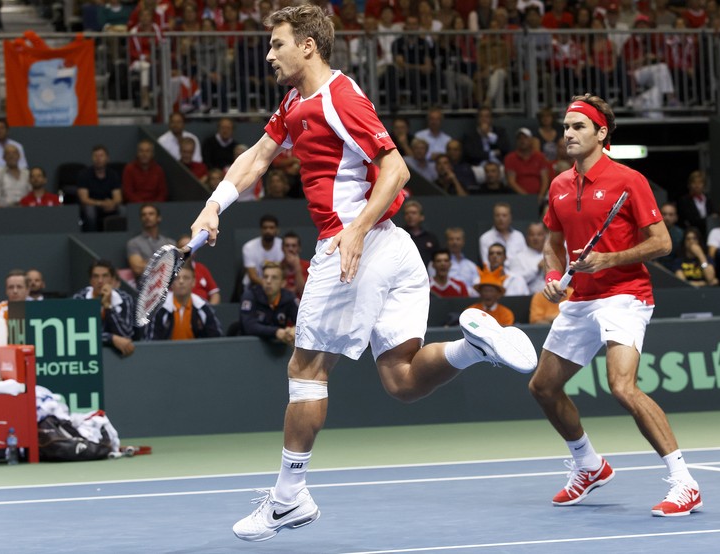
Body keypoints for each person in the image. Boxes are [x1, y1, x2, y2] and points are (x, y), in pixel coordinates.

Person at [188, 4, 537, 542]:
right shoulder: (295, 102)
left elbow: (396, 169)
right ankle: (475, 349)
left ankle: (287, 498)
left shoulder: (339, 97)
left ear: (307, 45)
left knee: (306, 369)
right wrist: (215, 204)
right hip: (394, 249)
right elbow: (259, 156)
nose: (269, 53)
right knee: (401, 379)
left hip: (356, 245)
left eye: (277, 43)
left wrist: (353, 232)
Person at [530, 94, 702, 517]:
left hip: (625, 295)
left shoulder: (629, 180)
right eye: (565, 127)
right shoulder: (559, 185)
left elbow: (662, 242)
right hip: (581, 299)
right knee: (543, 387)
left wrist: (610, 258)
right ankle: (589, 465)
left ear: (601, 133)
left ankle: (685, 482)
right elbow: (553, 244)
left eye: (577, 127)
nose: (567, 134)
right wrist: (553, 277)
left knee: (622, 386)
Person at [73, 259, 135, 357]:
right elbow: (80, 334)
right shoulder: (80, 299)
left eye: (105, 276)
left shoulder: (125, 299)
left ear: (112, 279)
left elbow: (126, 335)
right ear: (90, 280)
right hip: (85, 355)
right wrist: (111, 338)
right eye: (96, 276)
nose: (100, 281)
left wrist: (108, 306)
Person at [145, 265, 222, 340]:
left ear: (194, 282)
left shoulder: (203, 307)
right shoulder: (160, 309)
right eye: (177, 278)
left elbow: (216, 340)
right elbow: (152, 342)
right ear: (171, 283)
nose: (181, 281)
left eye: (186, 278)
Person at [239, 262, 298, 344]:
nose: (268, 281)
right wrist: (276, 332)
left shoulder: (289, 298)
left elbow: (301, 322)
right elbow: (249, 326)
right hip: (248, 346)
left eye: (274, 278)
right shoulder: (250, 295)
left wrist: (293, 330)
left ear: (283, 283)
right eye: (265, 277)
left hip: (279, 350)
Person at [78, 145, 124, 232]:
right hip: (93, 205)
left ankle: (119, 235)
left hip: (109, 205)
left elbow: (118, 198)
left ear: (107, 158)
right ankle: (92, 237)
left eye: (101, 156)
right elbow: (84, 199)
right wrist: (101, 203)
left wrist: (112, 203)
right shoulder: (84, 175)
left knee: (122, 209)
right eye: (95, 156)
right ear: (92, 158)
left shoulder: (113, 175)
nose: (98, 159)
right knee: (89, 211)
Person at [127, 204, 176, 278]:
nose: (147, 217)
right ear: (141, 219)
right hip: (145, 287)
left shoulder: (170, 243)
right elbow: (138, 268)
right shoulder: (133, 243)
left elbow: (175, 267)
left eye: (151, 214)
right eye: (144, 215)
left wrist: (146, 263)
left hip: (168, 286)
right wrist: (164, 263)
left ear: (158, 218)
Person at [504, 128, 551, 201]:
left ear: (531, 140)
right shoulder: (510, 158)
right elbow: (511, 182)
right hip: (518, 197)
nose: (522, 141)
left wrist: (540, 196)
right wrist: (527, 198)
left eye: (525, 138)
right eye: (520, 138)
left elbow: (545, 179)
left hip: (540, 197)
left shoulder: (540, 157)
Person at [177, 234, 221, 304]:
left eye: (190, 247)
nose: (187, 250)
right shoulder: (172, 270)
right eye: (183, 247)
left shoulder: (202, 268)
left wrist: (208, 311)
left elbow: (215, 294)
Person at [242, 214, 284, 287]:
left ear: (277, 230)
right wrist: (270, 286)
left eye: (271, 228)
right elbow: (253, 276)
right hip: (254, 285)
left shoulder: (283, 246)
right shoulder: (249, 247)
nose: (268, 230)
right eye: (265, 228)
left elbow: (284, 272)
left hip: (277, 286)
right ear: (261, 230)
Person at [123, 139, 168, 204]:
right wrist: (142, 205)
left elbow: (163, 192)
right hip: (135, 205)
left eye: (147, 151)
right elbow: (128, 192)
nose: (144, 154)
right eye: (141, 151)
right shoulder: (129, 169)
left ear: (152, 154)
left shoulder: (158, 169)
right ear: (137, 153)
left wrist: (155, 204)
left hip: (155, 206)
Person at [676, 169, 714, 239]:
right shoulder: (684, 200)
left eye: (700, 183)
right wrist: (708, 220)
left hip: (708, 232)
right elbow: (690, 220)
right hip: (691, 233)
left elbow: (711, 214)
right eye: (694, 182)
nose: (697, 185)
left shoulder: (708, 199)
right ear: (689, 184)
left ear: (704, 185)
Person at [402, 199, 439, 266]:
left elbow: (437, 259)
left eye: (414, 213)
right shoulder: (400, 236)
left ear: (422, 217)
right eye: (407, 213)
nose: (410, 216)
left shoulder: (431, 238)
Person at [280, 231, 310, 300]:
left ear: (299, 248)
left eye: (294, 246)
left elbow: (303, 292)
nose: (290, 249)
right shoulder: (277, 267)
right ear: (282, 248)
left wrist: (297, 266)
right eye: (287, 246)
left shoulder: (308, 266)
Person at [656, 201, 684, 271]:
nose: (667, 218)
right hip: (654, 269)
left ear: (676, 217)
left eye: (670, 215)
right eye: (664, 214)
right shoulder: (650, 232)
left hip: (673, 272)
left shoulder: (681, 235)